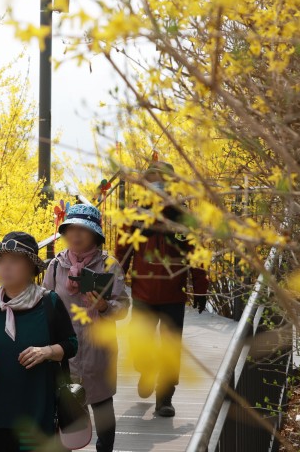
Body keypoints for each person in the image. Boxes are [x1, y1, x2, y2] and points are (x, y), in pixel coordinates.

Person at [0, 231, 78, 452]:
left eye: (14, 261)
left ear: (31, 267)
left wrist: (46, 352)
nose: (5, 267)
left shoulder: (48, 302)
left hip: (35, 412)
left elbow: (71, 344)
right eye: (1, 261)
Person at [115, 161, 210, 418]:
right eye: (152, 181)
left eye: (163, 181)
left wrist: (200, 289)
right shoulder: (134, 215)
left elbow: (196, 256)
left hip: (173, 295)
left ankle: (165, 397)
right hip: (142, 293)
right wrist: (114, 282)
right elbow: (122, 252)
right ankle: (146, 369)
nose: (158, 186)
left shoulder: (182, 218)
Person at [43, 204, 130, 452]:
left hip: (98, 349)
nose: (76, 235)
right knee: (67, 408)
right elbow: (45, 304)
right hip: (65, 350)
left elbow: (123, 308)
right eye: (71, 229)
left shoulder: (109, 266)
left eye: (83, 230)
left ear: (95, 235)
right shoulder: (56, 266)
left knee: (102, 405)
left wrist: (104, 307)